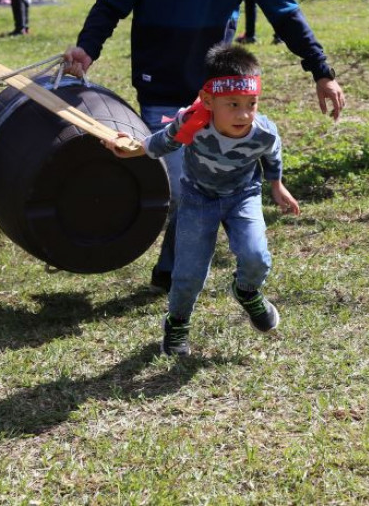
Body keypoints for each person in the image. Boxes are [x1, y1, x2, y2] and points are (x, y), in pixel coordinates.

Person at [63, 0, 344, 294]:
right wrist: (86, 49)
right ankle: (176, 266)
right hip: (161, 83)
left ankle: (172, 270)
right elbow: (111, 5)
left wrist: (321, 70)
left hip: (216, 90)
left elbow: (285, 13)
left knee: (200, 182)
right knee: (180, 185)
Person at [104, 44, 299, 356]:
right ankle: (178, 322)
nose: (244, 113)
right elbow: (163, 141)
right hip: (198, 198)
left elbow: (272, 152)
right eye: (233, 104)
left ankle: (247, 292)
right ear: (208, 100)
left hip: (242, 197)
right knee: (189, 273)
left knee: (256, 256)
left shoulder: (262, 131)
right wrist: (133, 148)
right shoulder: (193, 123)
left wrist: (277, 185)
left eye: (251, 103)